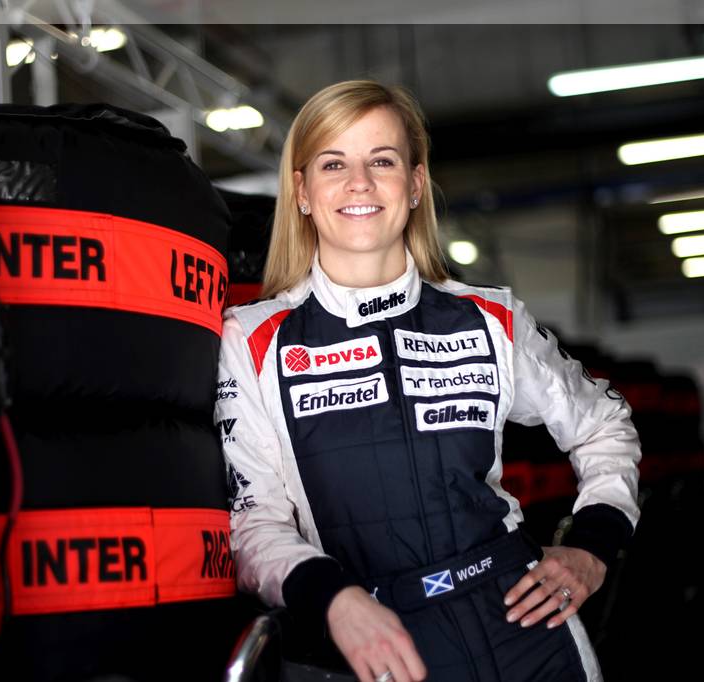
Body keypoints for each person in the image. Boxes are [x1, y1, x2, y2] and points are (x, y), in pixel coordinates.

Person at [214, 80, 641, 682]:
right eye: (333, 164)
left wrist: (592, 545)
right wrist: (333, 599)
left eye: (381, 161)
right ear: (302, 191)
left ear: (415, 185)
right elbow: (253, 522)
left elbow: (604, 424)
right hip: (378, 644)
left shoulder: (490, 318)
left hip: (529, 629)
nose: (359, 183)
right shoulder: (253, 340)